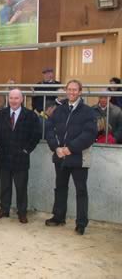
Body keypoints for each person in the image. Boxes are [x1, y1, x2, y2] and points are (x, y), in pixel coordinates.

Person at [45, 79, 97, 235]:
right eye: (69, 89)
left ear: (80, 92)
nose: (72, 92)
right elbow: (49, 129)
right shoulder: (59, 110)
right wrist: (56, 147)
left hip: (78, 157)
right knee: (60, 187)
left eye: (75, 90)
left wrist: (70, 148)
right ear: (66, 91)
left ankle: (81, 223)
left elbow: (89, 134)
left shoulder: (88, 111)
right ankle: (58, 217)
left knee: (81, 190)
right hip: (60, 156)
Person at [0, 88, 41, 223]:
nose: (13, 101)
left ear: (22, 99)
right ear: (8, 99)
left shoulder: (31, 115)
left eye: (16, 98)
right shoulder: (0, 114)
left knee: (21, 187)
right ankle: (4, 209)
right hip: (4, 157)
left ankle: (22, 212)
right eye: (11, 98)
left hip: (21, 158)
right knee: (5, 186)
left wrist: (27, 150)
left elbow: (36, 135)